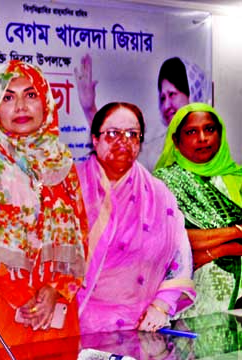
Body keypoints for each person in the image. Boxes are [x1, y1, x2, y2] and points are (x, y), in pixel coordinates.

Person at [0, 60, 88, 353]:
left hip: (54, 311)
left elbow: (81, 236)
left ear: (46, 103)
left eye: (30, 95)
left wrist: (56, 290)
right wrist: (24, 297)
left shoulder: (62, 165)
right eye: (8, 97)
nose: (20, 107)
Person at [76, 102, 195, 334]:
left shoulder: (158, 195)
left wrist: (161, 306)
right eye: (112, 134)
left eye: (132, 134)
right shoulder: (70, 187)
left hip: (140, 328)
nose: (124, 141)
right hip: (75, 325)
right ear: (95, 139)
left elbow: (180, 258)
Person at [154, 103, 242, 318]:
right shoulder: (164, 183)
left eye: (210, 129)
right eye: (192, 132)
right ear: (176, 140)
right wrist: (234, 235)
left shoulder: (237, 177)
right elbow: (172, 242)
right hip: (193, 301)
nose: (202, 138)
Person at [75, 55, 210, 170]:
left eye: (172, 94)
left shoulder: (211, 144)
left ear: (192, 95)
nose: (166, 105)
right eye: (163, 98)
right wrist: (89, 109)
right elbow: (119, 158)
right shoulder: (154, 149)